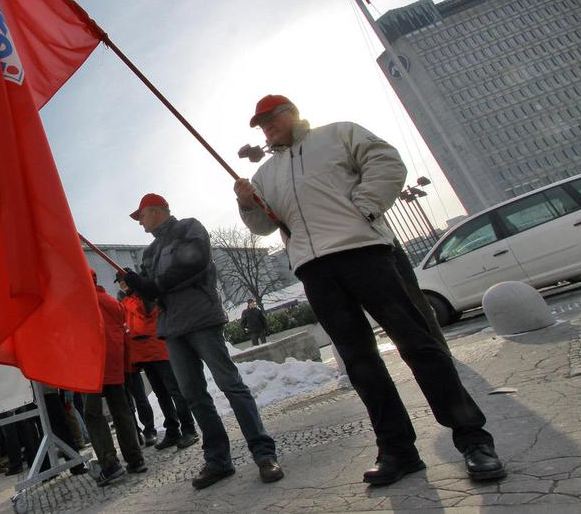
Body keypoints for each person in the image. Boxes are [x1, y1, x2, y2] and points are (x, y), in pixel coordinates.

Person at [234, 94, 506, 486]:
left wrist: (365, 207)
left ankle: (473, 440)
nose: (266, 128)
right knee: (359, 361)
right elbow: (263, 226)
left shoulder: (338, 134)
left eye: (271, 118)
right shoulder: (266, 174)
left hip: (364, 252)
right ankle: (397, 450)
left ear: (291, 112)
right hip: (314, 269)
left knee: (417, 343)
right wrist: (247, 204)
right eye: (261, 124)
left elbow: (387, 162)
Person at [121, 194, 283, 489]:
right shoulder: (149, 252)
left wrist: (153, 285)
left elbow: (193, 264)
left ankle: (263, 454)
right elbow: (150, 296)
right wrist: (137, 286)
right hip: (172, 329)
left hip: (200, 318)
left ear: (156, 211)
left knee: (230, 385)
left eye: (141, 216)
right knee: (193, 395)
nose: (140, 222)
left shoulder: (188, 228)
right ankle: (218, 460)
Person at [119, 277, 199, 451]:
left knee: (174, 391)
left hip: (157, 349)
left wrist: (132, 295)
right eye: (120, 283)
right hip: (144, 353)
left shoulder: (141, 296)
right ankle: (172, 429)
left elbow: (144, 311)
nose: (122, 285)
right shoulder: (128, 300)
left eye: (124, 281)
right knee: (161, 393)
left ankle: (189, 428)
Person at [83, 270, 147, 486]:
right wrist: (127, 365)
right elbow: (125, 334)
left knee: (93, 414)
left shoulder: (78, 305)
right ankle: (135, 459)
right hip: (115, 364)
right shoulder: (112, 302)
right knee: (121, 411)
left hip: (91, 367)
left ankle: (110, 464)